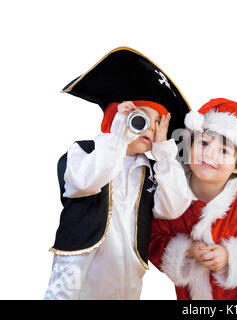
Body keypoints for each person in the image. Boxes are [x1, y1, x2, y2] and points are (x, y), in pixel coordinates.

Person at [44, 47, 190, 299]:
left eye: (157, 123)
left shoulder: (153, 171)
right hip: (79, 270)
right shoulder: (84, 152)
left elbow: (172, 208)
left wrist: (165, 152)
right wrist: (118, 137)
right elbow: (86, 182)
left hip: (125, 272)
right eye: (140, 118)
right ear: (116, 118)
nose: (149, 128)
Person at [149, 98, 237, 300]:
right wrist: (187, 250)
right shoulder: (171, 192)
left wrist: (229, 256)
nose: (209, 154)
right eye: (203, 142)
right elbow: (153, 239)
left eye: (224, 150)